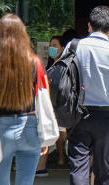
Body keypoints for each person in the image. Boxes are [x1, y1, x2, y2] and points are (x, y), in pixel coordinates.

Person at [67, 5, 109, 185]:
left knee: (78, 165)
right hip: (104, 115)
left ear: (89, 26)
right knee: (102, 167)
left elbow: (60, 78)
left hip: (77, 113)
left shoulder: (73, 46)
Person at [0, 13, 48, 185]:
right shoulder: (35, 62)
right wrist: (43, 135)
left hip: (1, 128)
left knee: (1, 182)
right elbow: (43, 98)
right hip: (30, 127)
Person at [36, 33, 72, 177]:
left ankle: (59, 159)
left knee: (58, 136)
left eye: (55, 46)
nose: (51, 48)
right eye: (50, 46)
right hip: (51, 107)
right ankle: (43, 166)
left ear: (63, 48)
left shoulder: (66, 66)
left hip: (61, 108)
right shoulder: (50, 66)